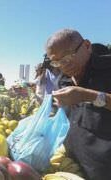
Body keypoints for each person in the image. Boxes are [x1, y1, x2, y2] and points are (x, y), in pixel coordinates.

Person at [46, 28, 111, 180]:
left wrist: (86, 95)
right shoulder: (63, 80)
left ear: (87, 46)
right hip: (73, 168)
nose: (64, 65)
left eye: (68, 56)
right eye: (57, 61)